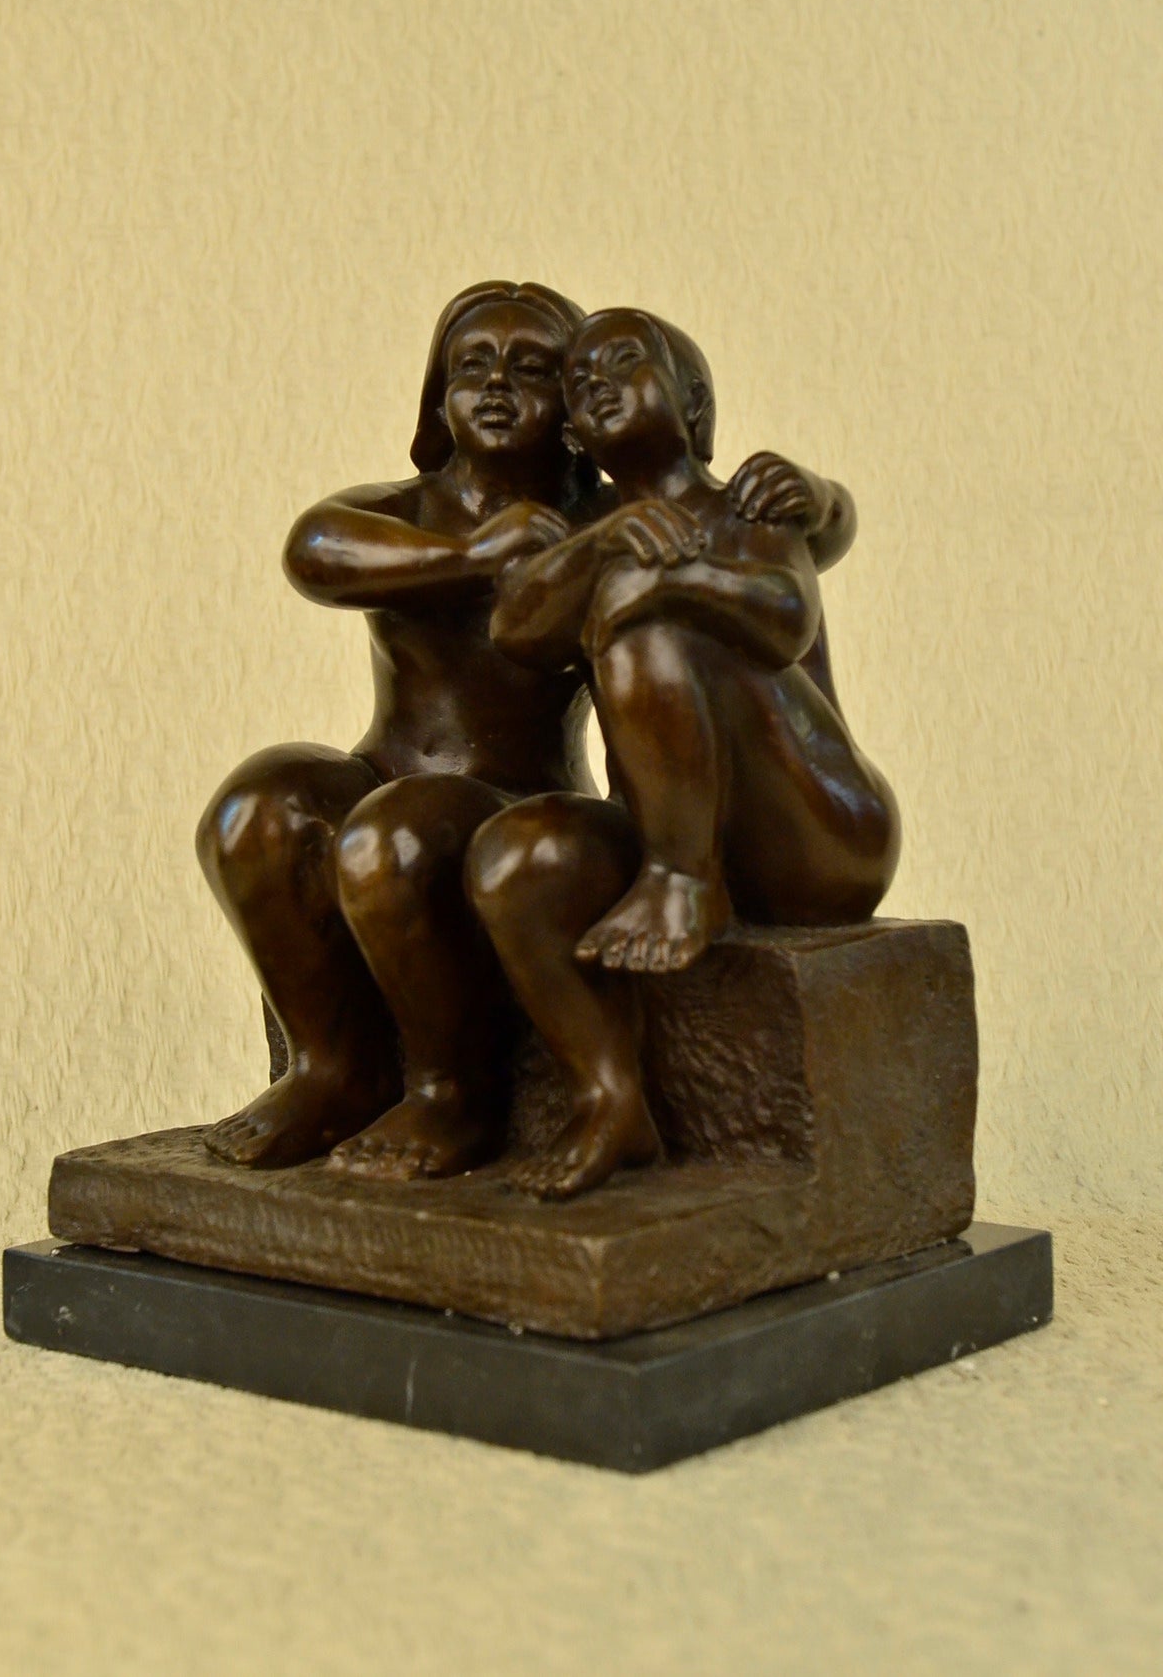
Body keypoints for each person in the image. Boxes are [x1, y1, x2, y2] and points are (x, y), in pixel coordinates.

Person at [465, 308, 900, 1198]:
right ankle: (610, 1098)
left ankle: (683, 879)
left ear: (693, 403)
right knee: (515, 860)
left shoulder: (746, 501)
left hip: (821, 833)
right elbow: (516, 627)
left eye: (624, 361)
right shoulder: (593, 533)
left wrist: (667, 579)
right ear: (575, 436)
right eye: (579, 380)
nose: (595, 383)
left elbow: (783, 617)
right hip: (666, 823)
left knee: (644, 596)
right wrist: (605, 543)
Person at [197, 281, 599, 1170]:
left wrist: (817, 502)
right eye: (472, 366)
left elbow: (736, 544)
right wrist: (470, 556)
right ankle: (334, 1068)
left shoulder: (599, 525)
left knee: (390, 841)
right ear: (437, 397)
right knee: (253, 811)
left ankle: (452, 1096)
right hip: (382, 770)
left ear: (578, 406)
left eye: (532, 368)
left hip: (515, 800)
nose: (497, 385)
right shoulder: (407, 511)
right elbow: (314, 548)